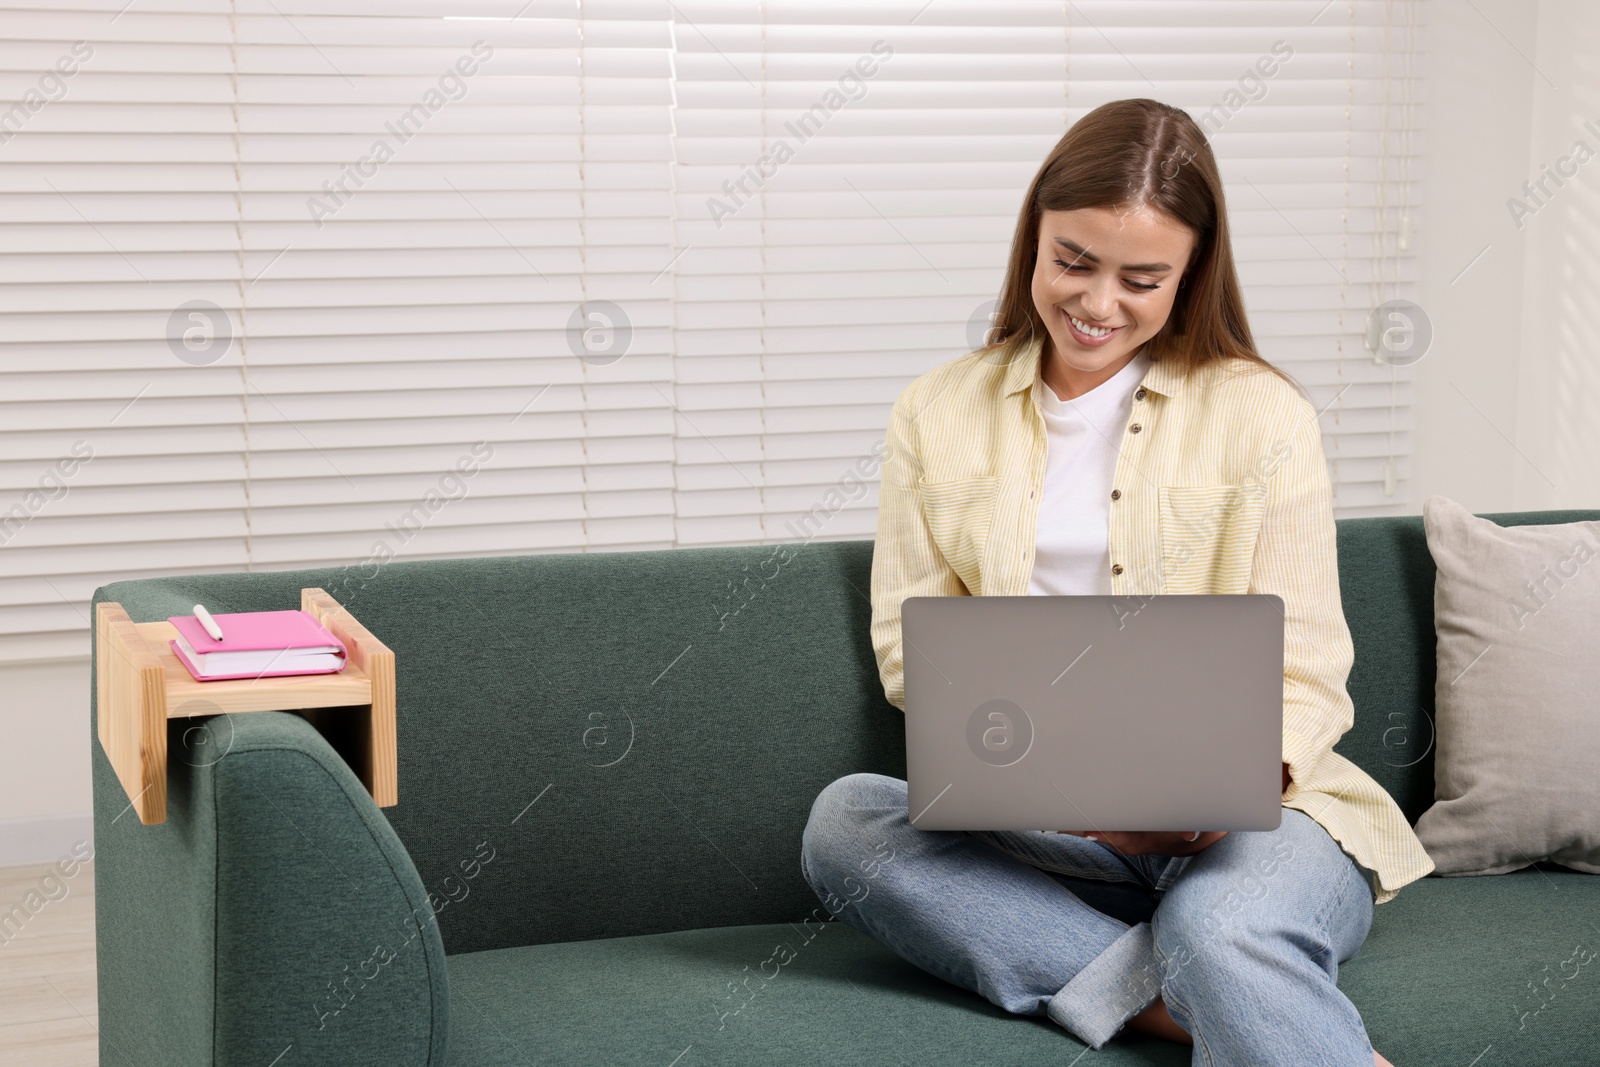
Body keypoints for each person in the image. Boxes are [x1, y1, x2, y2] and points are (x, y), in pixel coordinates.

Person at [799, 98, 1433, 1066]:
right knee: (846, 822)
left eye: (1142, 279)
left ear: (1190, 275)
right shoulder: (936, 411)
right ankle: (1196, 1004)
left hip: (1254, 822)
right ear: (1032, 240)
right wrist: (1047, 774)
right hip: (1049, 827)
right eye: (1072, 262)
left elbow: (1306, 666)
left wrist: (1225, 788)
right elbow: (909, 643)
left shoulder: (1262, 414)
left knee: (1219, 921)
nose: (1098, 303)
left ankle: (1213, 968)